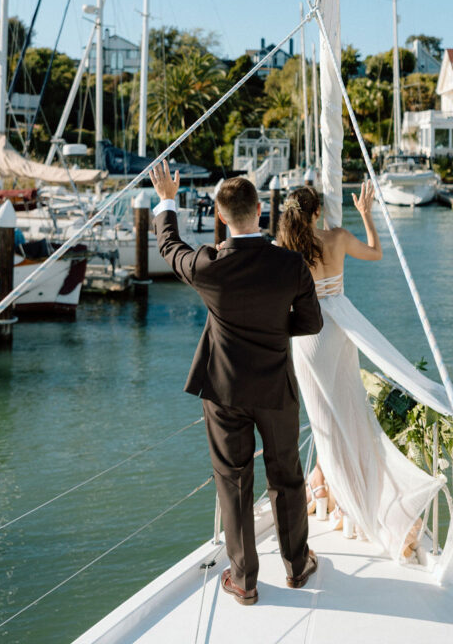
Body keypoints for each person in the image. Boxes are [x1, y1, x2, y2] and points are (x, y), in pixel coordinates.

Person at [149, 163, 323, 606]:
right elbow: (309, 322)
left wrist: (168, 199)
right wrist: (271, 327)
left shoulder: (208, 266)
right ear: (261, 211)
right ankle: (297, 566)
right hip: (276, 389)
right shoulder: (291, 264)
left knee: (234, 480)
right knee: (287, 475)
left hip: (224, 391)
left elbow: (169, 245)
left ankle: (244, 581)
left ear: (222, 217)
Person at [276, 182, 441, 563]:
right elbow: (376, 253)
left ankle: (353, 505)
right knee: (352, 414)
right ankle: (342, 494)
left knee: (325, 424)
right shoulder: (337, 237)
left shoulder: (285, 249)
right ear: (318, 212)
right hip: (341, 331)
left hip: (308, 335)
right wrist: (366, 214)